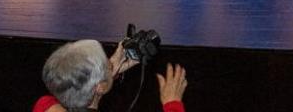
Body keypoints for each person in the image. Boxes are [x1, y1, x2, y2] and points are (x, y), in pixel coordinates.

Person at [33, 38, 187, 112]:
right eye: (106, 63)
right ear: (99, 87)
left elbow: (63, 86)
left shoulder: (44, 106)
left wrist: (105, 75)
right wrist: (172, 103)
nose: (110, 62)